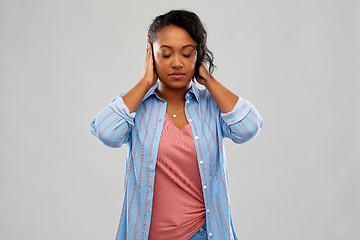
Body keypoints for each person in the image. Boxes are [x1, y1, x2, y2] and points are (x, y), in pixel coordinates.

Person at [90, 9, 263, 240]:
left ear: (197, 56)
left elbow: (249, 126)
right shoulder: (136, 107)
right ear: (152, 55)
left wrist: (208, 81)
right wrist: (145, 82)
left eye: (187, 53)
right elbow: (105, 132)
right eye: (166, 53)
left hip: (203, 235)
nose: (177, 63)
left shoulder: (211, 106)